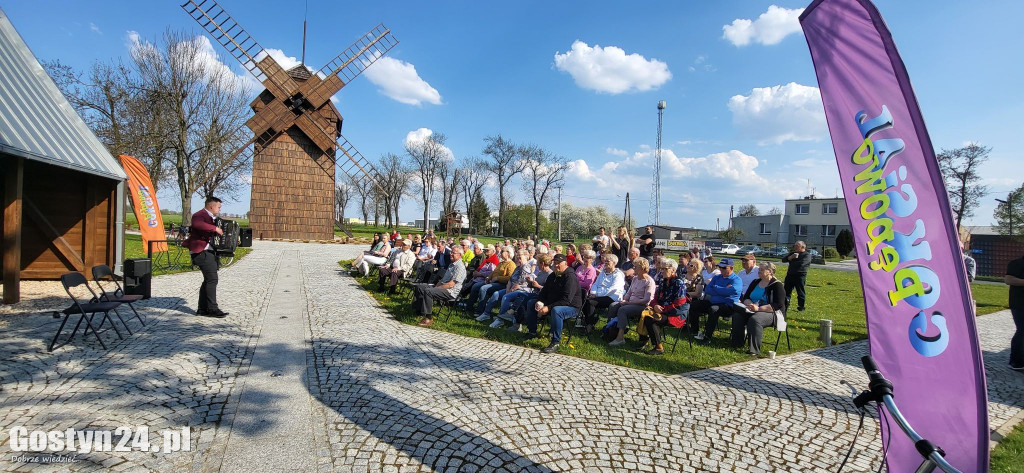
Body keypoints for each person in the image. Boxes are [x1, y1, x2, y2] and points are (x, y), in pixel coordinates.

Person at [184, 196, 228, 318]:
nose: (219, 209)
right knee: (212, 279)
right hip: (201, 252)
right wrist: (215, 228)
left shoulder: (212, 218)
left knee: (208, 280)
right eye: (218, 207)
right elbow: (197, 224)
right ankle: (212, 309)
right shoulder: (200, 215)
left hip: (208, 252)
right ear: (211, 206)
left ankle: (202, 309)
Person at [732, 262, 786, 355]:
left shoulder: (777, 285)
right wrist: (749, 304)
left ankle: (754, 350)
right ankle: (737, 343)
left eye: (761, 270)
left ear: (769, 271)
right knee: (737, 316)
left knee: (755, 319)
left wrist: (758, 309)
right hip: (752, 309)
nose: (758, 271)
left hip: (772, 313)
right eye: (759, 269)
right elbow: (746, 297)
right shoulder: (755, 282)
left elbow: (778, 305)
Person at [533, 254, 582, 354]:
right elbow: (544, 291)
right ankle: (532, 331)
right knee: (531, 302)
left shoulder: (570, 277)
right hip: (555, 302)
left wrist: (548, 307)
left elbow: (566, 300)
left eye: (558, 263)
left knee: (557, 311)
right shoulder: (553, 275)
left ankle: (555, 342)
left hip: (572, 307)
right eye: (554, 263)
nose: (556, 266)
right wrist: (540, 301)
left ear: (565, 263)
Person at [642, 259, 688, 355]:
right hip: (662, 310)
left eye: (665, 269)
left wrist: (662, 310)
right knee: (643, 313)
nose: (662, 271)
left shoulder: (679, 283)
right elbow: (655, 298)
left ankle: (658, 347)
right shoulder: (663, 282)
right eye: (661, 268)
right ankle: (643, 341)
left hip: (675, 314)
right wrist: (655, 305)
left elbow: (679, 304)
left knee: (651, 319)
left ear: (673, 270)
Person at [693, 258, 743, 345]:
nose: (721, 269)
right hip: (713, 301)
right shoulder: (717, 277)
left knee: (713, 309)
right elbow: (708, 289)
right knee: (694, 305)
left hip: (727, 305)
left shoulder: (736, 280)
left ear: (731, 268)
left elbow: (732, 291)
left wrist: (716, 288)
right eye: (720, 267)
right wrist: (723, 290)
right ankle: (694, 330)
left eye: (724, 268)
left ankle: (707, 337)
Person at [608, 257, 656, 346]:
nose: (633, 269)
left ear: (642, 268)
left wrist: (628, 303)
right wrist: (625, 299)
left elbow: (646, 300)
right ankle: (609, 331)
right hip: (629, 302)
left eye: (635, 267)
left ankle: (620, 337)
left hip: (642, 306)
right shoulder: (635, 279)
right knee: (613, 305)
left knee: (623, 310)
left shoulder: (649, 282)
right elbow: (629, 292)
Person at [414, 247, 466, 327]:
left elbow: (450, 285)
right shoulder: (452, 264)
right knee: (420, 287)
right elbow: (443, 280)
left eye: (453, 253)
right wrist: (436, 285)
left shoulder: (460, 267)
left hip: (450, 291)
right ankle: (419, 311)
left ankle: (428, 318)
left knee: (428, 291)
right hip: (443, 287)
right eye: (451, 252)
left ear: (460, 255)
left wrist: (436, 288)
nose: (451, 254)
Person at [486, 250, 536, 329]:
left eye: (521, 257)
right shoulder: (517, 268)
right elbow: (510, 280)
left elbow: (521, 284)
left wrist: (510, 291)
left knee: (506, 297)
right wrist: (508, 289)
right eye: (518, 256)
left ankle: (500, 319)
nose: (518, 258)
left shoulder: (526, 268)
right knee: (497, 294)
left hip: (522, 290)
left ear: (526, 257)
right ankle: (486, 314)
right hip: (511, 288)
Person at [581, 254, 625, 330]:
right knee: (585, 300)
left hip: (612, 297)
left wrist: (597, 295)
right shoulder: (603, 273)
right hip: (599, 295)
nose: (606, 263)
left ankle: (589, 325)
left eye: (608, 261)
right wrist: (593, 293)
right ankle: (589, 321)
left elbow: (613, 289)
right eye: (605, 261)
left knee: (591, 302)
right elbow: (596, 284)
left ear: (614, 263)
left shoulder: (618, 274)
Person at [474, 248, 517, 322]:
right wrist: (488, 277)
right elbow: (494, 272)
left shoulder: (511, 264)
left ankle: (481, 312)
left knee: (483, 288)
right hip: (494, 282)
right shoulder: (501, 263)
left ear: (508, 253)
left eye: (503, 251)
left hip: (503, 284)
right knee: (477, 285)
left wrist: (497, 278)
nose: (500, 252)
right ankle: (476, 308)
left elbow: (510, 278)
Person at [1006, 253, 1024, 372]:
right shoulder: (1016, 263)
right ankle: (1015, 361)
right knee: (1022, 330)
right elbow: (1008, 279)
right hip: (1019, 304)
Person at [783, 241, 812, 311]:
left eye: (797, 246)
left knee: (800, 292)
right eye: (794, 245)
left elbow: (802, 264)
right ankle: (785, 305)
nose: (795, 247)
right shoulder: (793, 254)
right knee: (786, 291)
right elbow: (783, 260)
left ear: (803, 247)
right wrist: (790, 257)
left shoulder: (807, 255)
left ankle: (801, 307)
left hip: (800, 276)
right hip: (790, 275)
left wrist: (792, 261)